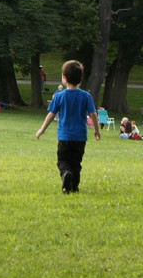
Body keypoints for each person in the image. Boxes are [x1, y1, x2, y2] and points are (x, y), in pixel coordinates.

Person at [35, 60, 100, 193]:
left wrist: (42, 129)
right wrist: (97, 131)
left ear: (64, 78)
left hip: (64, 136)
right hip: (80, 137)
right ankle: (74, 187)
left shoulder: (59, 96)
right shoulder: (86, 96)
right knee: (76, 163)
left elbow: (51, 115)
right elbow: (93, 115)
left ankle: (65, 175)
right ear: (81, 79)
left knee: (63, 161)